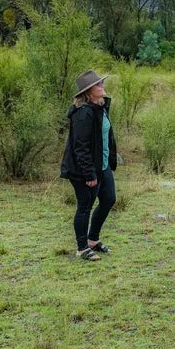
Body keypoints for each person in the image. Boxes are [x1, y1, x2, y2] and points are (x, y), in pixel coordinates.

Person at [60, 69, 119, 261]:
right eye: (98, 84)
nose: (102, 85)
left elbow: (104, 137)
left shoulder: (99, 107)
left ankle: (93, 240)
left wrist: (109, 161)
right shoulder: (83, 113)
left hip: (102, 166)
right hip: (84, 170)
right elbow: (80, 147)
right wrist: (89, 174)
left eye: (102, 82)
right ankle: (82, 247)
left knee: (109, 199)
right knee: (85, 206)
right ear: (88, 91)